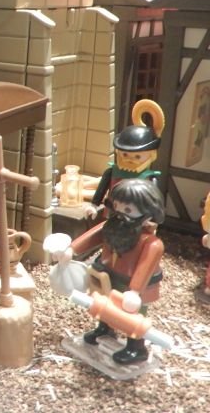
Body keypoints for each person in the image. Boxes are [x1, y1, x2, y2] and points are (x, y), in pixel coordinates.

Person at [52, 179, 165, 364]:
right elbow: (93, 236)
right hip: (108, 275)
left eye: (128, 210)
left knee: (133, 316)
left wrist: (135, 291)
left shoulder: (152, 243)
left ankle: (136, 347)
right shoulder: (112, 227)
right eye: (117, 206)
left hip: (136, 286)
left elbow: (145, 267)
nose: (120, 214)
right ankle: (105, 328)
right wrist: (72, 250)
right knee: (105, 302)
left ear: (148, 214)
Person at [87, 99, 163, 219]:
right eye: (125, 155)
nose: (130, 159)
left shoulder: (150, 178)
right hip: (112, 213)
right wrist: (94, 205)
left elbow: (153, 201)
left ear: (152, 155)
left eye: (137, 156)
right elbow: (101, 189)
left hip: (137, 219)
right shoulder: (112, 172)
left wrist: (150, 218)